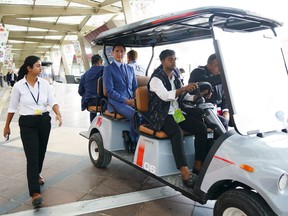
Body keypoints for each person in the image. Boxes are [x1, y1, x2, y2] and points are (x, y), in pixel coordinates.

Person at [3, 55, 62, 207]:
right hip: (27, 123)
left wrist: (58, 113)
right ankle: (35, 193)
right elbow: (12, 107)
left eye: (40, 65)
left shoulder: (45, 84)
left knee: (41, 152)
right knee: (32, 156)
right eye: (37, 65)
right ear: (29, 68)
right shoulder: (19, 86)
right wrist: (7, 125)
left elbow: (52, 101)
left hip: (43, 121)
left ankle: (36, 175)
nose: (40, 68)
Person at [148, 49, 209, 187]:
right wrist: (184, 89)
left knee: (201, 128)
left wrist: (198, 96)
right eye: (170, 59)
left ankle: (198, 165)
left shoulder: (175, 75)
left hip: (176, 113)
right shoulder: (156, 79)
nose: (173, 61)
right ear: (162, 61)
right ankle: (185, 172)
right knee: (176, 132)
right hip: (161, 115)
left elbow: (183, 96)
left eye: (175, 59)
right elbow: (166, 96)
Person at [103, 44, 138, 152]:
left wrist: (135, 99)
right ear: (112, 53)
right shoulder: (108, 69)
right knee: (135, 115)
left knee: (147, 113)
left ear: (125, 53)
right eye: (117, 51)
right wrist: (125, 100)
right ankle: (133, 140)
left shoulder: (130, 69)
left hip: (130, 101)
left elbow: (135, 87)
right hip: (117, 102)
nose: (120, 53)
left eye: (122, 51)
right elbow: (109, 91)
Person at [189, 53, 229, 130]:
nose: (220, 69)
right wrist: (223, 76)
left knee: (226, 122)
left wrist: (225, 112)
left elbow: (224, 100)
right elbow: (206, 82)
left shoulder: (219, 80)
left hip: (212, 111)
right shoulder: (198, 72)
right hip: (195, 111)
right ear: (209, 65)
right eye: (217, 66)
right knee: (203, 128)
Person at [78, 54, 104, 122]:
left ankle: (92, 125)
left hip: (89, 102)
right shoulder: (104, 70)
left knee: (92, 111)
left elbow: (80, 91)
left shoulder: (84, 75)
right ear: (99, 62)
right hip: (102, 101)